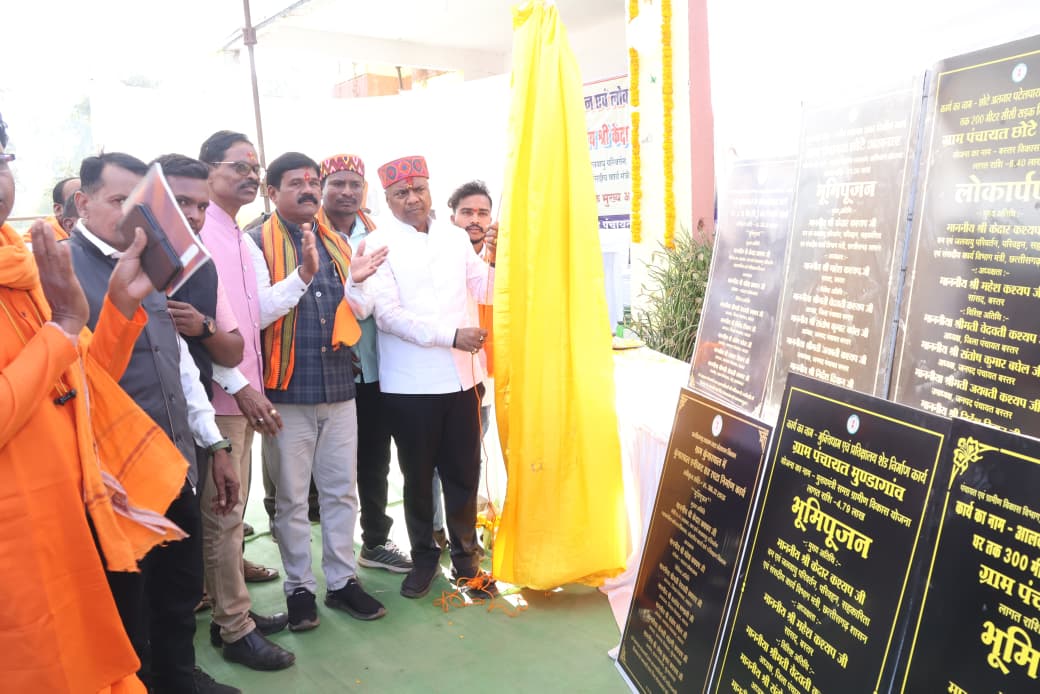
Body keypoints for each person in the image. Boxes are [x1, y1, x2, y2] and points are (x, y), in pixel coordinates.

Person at [0, 112, 186, 694]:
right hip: (17, 542)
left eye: (0, 161)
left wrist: (121, 308)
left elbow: (79, 382)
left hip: (71, 516)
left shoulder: (21, 263)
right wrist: (62, 326)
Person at [68, 151, 241, 694]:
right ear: (83, 202)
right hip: (111, 481)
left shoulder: (151, 263)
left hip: (172, 463)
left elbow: (180, 363)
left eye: (136, 203)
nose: (129, 216)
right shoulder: (61, 273)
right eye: (117, 201)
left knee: (179, 589)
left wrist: (215, 444)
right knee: (129, 605)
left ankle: (179, 678)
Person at [156, 152, 295, 672]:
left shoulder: (209, 254)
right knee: (213, 523)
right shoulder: (144, 260)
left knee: (223, 518)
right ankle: (229, 624)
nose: (192, 214)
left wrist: (209, 334)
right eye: (181, 202)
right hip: (196, 409)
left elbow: (231, 341)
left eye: (197, 205)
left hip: (214, 404)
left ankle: (230, 618)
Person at [347, 155, 498, 600]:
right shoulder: (376, 245)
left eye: (419, 189)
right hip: (410, 386)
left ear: (430, 189)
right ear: (387, 198)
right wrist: (451, 336)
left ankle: (468, 563)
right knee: (417, 478)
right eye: (401, 193)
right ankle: (424, 558)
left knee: (464, 473)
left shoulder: (455, 237)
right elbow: (388, 317)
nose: (412, 198)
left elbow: (485, 289)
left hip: (463, 380)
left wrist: (497, 258)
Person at [249, 151, 387, 631]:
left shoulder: (339, 242)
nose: (308, 189)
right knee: (291, 499)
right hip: (286, 391)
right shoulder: (254, 243)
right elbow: (256, 313)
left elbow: (360, 311)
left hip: (339, 386)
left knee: (341, 492)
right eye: (296, 183)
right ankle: (299, 589)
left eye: (312, 181)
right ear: (272, 192)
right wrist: (303, 275)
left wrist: (359, 283)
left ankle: (343, 581)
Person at [318, 153, 411, 574]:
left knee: (375, 459)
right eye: (337, 183)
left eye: (355, 184)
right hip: (325, 370)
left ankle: (374, 540)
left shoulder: (381, 234)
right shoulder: (305, 233)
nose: (347, 192)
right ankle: (328, 553)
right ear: (322, 188)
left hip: (377, 367)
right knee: (328, 468)